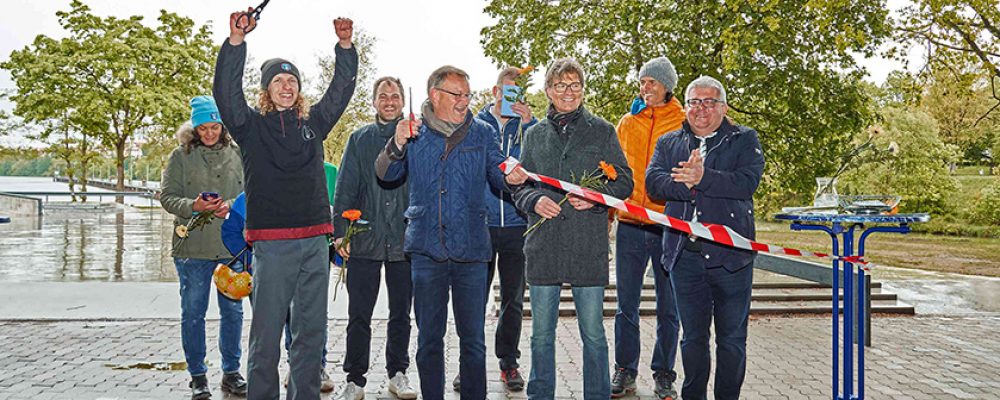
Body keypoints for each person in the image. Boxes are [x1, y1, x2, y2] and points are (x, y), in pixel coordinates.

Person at [213, 9, 358, 400]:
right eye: (278, 80)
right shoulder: (249, 127)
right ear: (266, 90)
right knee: (266, 338)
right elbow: (226, 91)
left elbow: (340, 92)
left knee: (310, 336)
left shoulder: (314, 124)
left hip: (315, 242)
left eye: (292, 80)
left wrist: (344, 47)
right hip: (272, 244)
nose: (286, 86)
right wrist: (237, 42)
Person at [375, 65, 528, 400]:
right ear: (435, 95)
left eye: (467, 95)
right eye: (456, 95)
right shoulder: (413, 131)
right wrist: (397, 143)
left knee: (473, 340)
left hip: (472, 250)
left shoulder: (482, 132)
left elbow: (498, 169)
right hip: (426, 250)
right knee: (429, 339)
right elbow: (385, 174)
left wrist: (511, 176)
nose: (463, 102)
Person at [512, 57, 633, 400]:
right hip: (544, 245)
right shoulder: (533, 134)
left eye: (575, 84)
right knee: (540, 335)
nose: (568, 91)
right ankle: (540, 395)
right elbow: (519, 186)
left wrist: (598, 198)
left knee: (593, 333)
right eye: (561, 85)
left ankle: (596, 394)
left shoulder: (603, 130)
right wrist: (534, 201)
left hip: (586, 245)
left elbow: (624, 181)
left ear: (582, 89)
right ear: (548, 90)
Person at [645, 76, 765, 400]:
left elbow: (747, 182)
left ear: (723, 108)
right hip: (685, 257)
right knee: (693, 339)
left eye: (710, 102)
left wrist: (704, 177)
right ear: (685, 108)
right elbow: (653, 183)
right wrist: (685, 184)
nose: (702, 109)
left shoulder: (744, 139)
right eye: (695, 102)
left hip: (731, 258)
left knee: (731, 341)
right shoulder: (669, 143)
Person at [330, 76, 417, 400]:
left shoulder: (415, 138)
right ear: (374, 101)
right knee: (359, 314)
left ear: (402, 102)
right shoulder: (359, 139)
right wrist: (341, 232)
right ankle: (355, 379)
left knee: (401, 314)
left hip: (403, 240)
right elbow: (345, 188)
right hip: (365, 238)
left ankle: (398, 372)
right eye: (383, 95)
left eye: (395, 95)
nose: (390, 100)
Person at [219, 164, 341, 395]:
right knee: (268, 330)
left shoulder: (320, 191)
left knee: (309, 325)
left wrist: (338, 255)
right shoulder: (250, 195)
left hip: (307, 266)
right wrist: (251, 259)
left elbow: (331, 233)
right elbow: (231, 230)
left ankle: (312, 368)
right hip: (267, 268)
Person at [160, 95, 247, 400]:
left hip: (232, 246)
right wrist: (193, 206)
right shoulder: (179, 157)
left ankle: (232, 372)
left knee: (233, 312)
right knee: (193, 313)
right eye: (203, 129)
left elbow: (253, 194)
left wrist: (233, 207)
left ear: (223, 126)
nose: (209, 134)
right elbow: (167, 197)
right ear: (194, 130)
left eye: (214, 127)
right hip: (192, 249)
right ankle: (198, 375)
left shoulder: (239, 153)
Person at [611, 56, 684, 400]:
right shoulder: (627, 122)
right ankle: (625, 369)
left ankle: (664, 373)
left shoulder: (683, 123)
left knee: (669, 305)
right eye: (642, 82)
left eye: (651, 82)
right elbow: (613, 169)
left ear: (667, 85)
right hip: (629, 224)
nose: (645, 87)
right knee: (627, 303)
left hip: (667, 226)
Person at [470, 66, 538, 392]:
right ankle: (470, 363)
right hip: (481, 225)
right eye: (507, 91)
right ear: (495, 92)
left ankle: (508, 362)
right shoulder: (475, 124)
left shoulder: (527, 128)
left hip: (515, 224)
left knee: (513, 299)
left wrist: (530, 125)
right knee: (474, 299)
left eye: (517, 93)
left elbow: (539, 166)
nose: (512, 98)